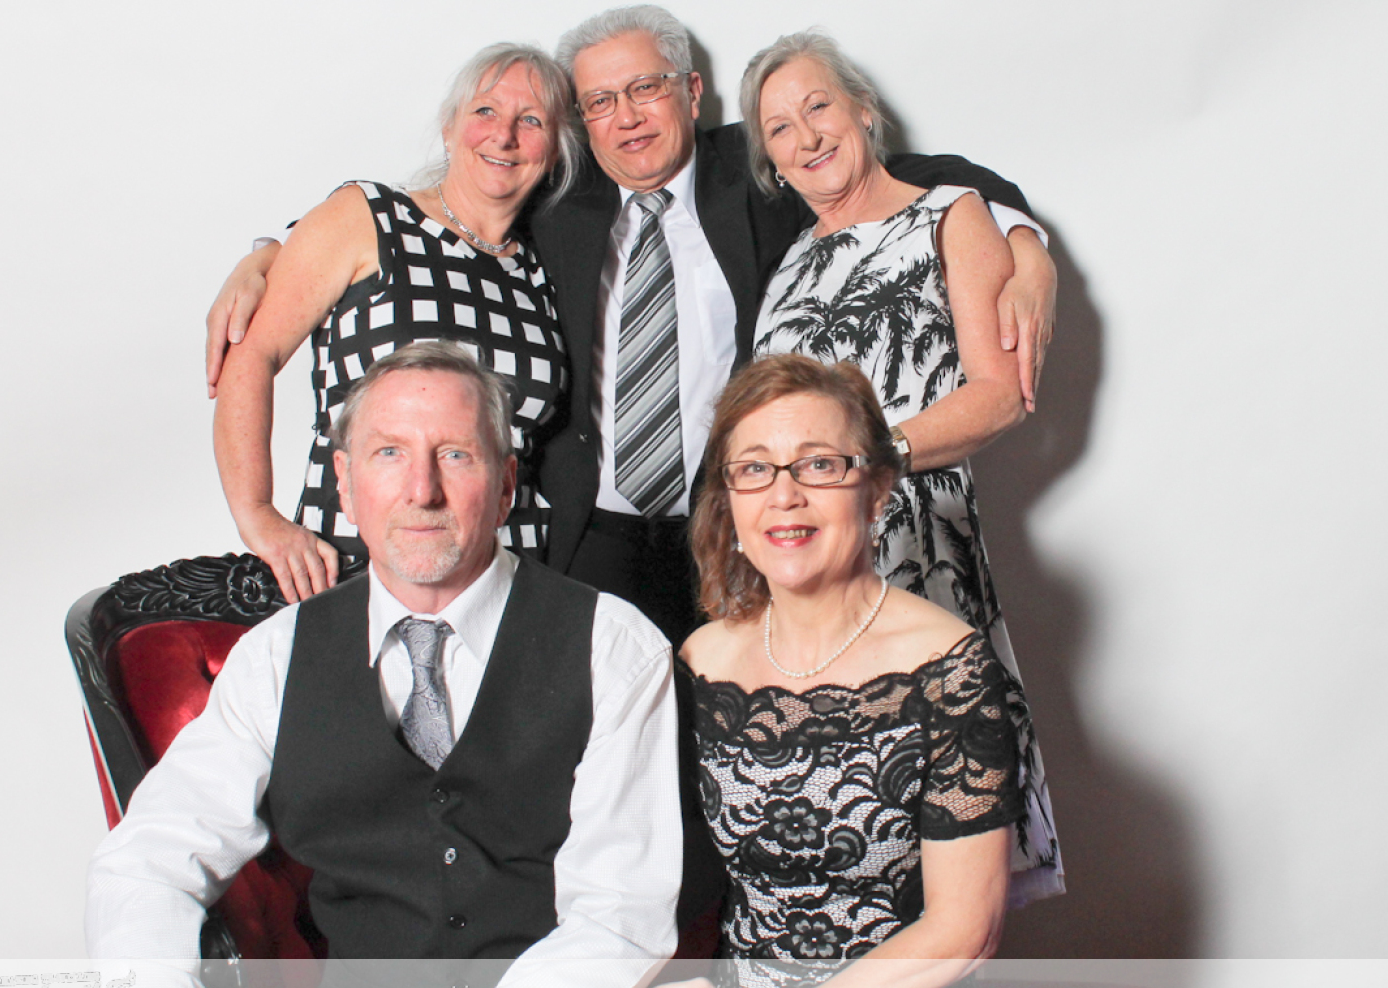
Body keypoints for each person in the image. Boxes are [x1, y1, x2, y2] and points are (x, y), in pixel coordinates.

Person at [205, 6, 1058, 647]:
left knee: (734, 741)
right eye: (601, 101)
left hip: (735, 523)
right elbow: (431, 205)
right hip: (587, 536)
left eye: (647, 88)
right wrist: (267, 254)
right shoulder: (557, 196)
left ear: (689, 92)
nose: (629, 117)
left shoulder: (755, 171)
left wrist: (1026, 245)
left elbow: (909, 171)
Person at [87, 342, 682, 988]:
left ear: (506, 484)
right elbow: (146, 862)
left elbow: (619, 922)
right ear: (344, 482)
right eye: (389, 453)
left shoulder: (614, 648)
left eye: (455, 455)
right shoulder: (277, 656)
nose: (421, 490)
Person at [576, 354, 1025, 988]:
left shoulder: (950, 669)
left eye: (818, 465)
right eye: (755, 469)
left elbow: (966, 930)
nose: (784, 495)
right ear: (730, 499)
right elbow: (634, 863)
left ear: (876, 490)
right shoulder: (700, 660)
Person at [744, 31, 1062, 904]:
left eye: (818, 106)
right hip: (799, 573)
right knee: (834, 827)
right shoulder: (787, 263)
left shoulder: (950, 215)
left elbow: (1000, 393)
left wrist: (875, 459)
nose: (807, 136)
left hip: (914, 549)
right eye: (779, 128)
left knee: (940, 830)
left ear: (863, 109)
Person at [212, 43, 577, 604]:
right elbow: (251, 354)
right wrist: (256, 514)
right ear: (449, 128)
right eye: (485, 111)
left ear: (554, 151)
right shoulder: (370, 218)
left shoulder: (541, 269)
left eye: (531, 121)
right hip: (353, 567)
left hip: (507, 581)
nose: (504, 135)